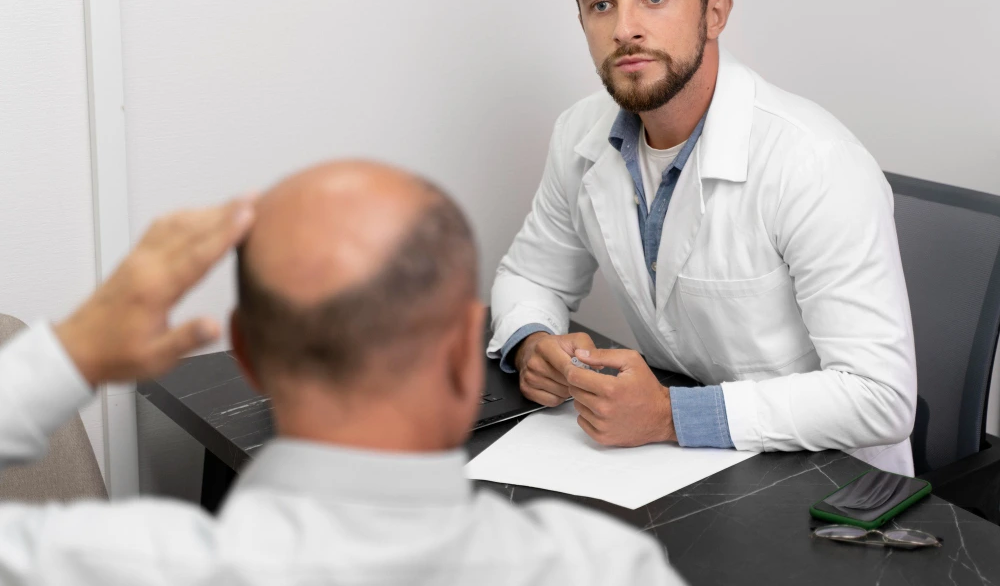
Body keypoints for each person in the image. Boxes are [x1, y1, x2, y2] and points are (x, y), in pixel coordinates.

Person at [0, 161, 683, 585]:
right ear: (461, 355)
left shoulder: (107, 566)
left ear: (247, 352)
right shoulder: (606, 568)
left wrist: (71, 352)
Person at [489, 0, 917, 475]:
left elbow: (879, 397)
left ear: (715, 13)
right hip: (679, 468)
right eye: (601, 5)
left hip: (829, 487)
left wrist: (670, 414)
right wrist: (532, 341)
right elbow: (532, 275)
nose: (625, 28)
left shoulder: (815, 161)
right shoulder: (580, 135)